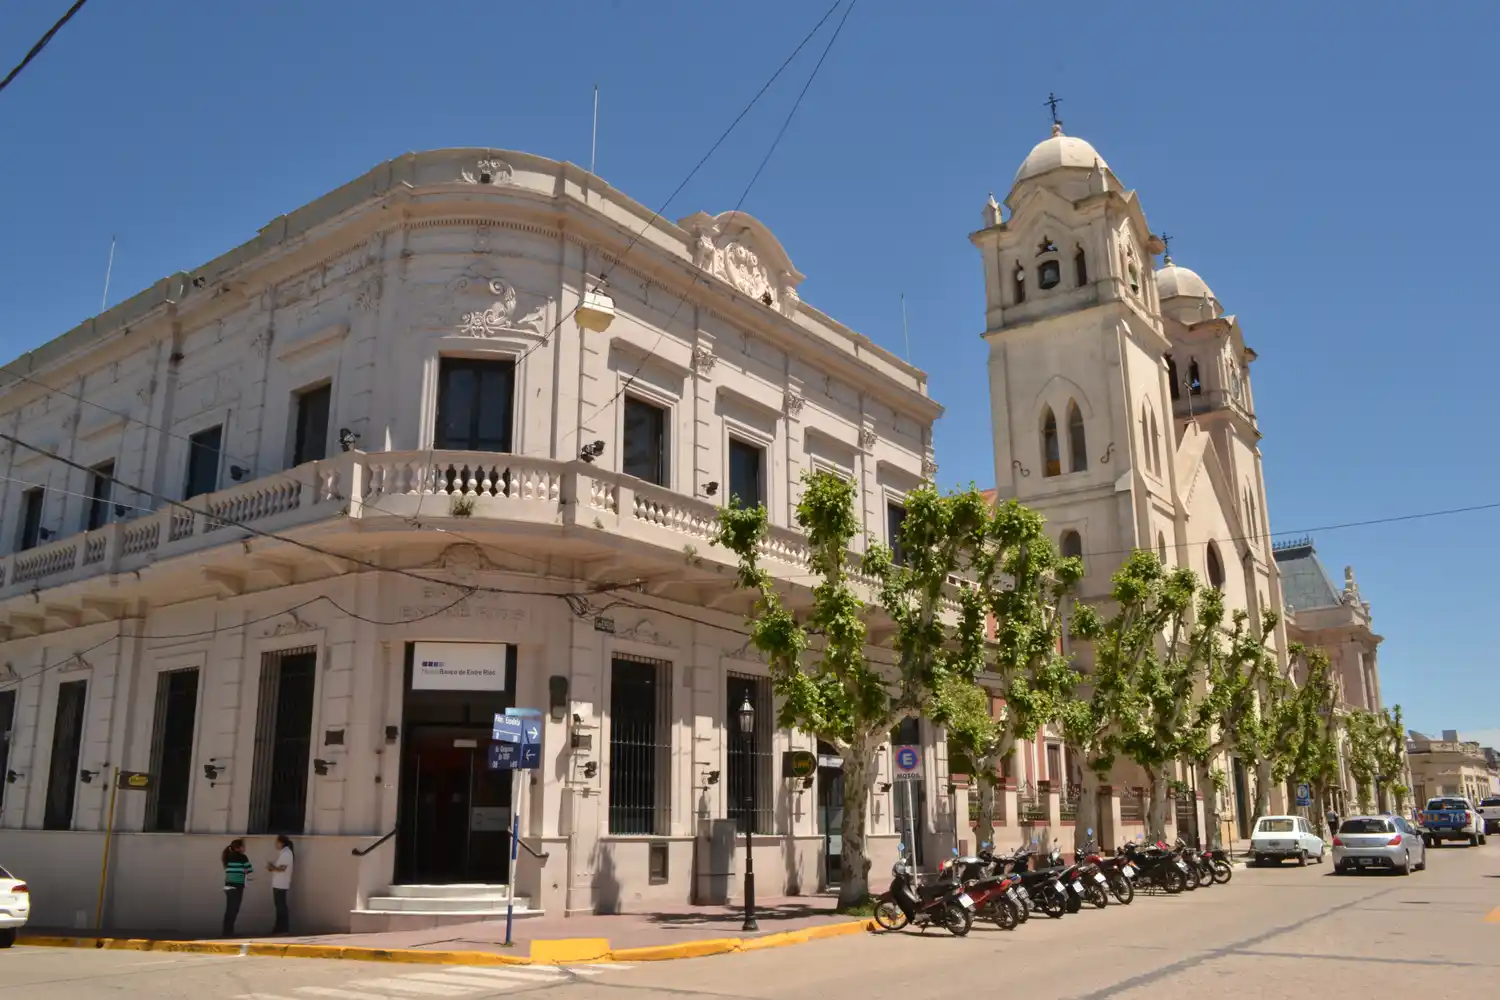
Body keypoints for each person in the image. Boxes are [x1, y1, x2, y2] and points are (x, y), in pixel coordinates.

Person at [221, 839, 253, 937]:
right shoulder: (243, 857)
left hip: (228, 886)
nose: (245, 848)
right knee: (234, 909)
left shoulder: (228, 856)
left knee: (229, 909)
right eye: (243, 846)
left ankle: (227, 931)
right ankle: (228, 933)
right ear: (239, 848)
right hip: (237, 887)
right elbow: (249, 870)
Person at [268, 835, 295, 935]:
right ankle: (279, 928)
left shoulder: (286, 853)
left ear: (281, 842)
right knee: (279, 906)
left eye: (277, 842)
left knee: (281, 907)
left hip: (281, 884)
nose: (276, 844)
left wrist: (272, 867)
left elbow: (282, 868)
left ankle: (283, 928)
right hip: (279, 883)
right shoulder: (284, 853)